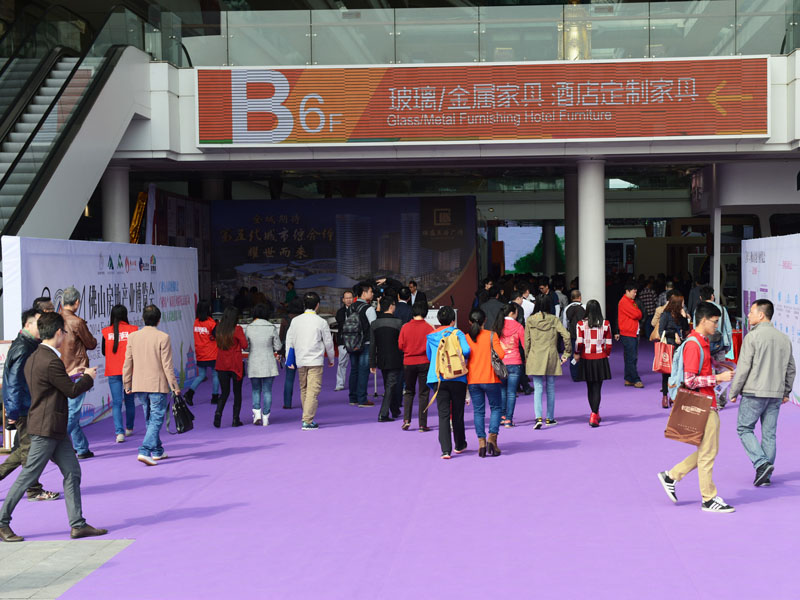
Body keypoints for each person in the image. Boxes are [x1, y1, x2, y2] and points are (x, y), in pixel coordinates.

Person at [0, 312, 104, 543]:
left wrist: (71, 376)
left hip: (52, 427)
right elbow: (71, 391)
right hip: (46, 429)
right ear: (58, 332)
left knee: (72, 472)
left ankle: (77, 524)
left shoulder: (36, 356)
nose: (65, 335)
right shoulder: (49, 360)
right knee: (28, 476)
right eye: (64, 332)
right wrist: (88, 377)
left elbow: (53, 385)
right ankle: (2, 522)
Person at [657, 302, 736, 513]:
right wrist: (718, 378)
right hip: (703, 403)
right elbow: (690, 380)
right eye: (715, 322)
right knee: (708, 452)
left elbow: (699, 372)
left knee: (707, 450)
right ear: (704, 320)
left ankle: (671, 476)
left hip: (706, 401)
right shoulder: (694, 344)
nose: (717, 326)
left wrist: (716, 368)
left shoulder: (700, 341)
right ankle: (708, 498)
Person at [730, 299, 796, 487]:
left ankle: (761, 463)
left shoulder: (752, 337)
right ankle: (765, 476)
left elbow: (743, 368)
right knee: (769, 434)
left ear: (761, 315)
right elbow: (791, 368)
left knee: (744, 428)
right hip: (775, 393)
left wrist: (734, 391)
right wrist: (786, 391)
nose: (748, 315)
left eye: (751, 312)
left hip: (754, 391)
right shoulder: (784, 338)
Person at [0, 308, 60, 502]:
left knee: (22, 450)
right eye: (38, 323)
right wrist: (13, 411)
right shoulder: (23, 348)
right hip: (25, 408)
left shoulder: (28, 345)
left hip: (27, 406)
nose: (42, 328)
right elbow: (14, 382)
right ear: (28, 324)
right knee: (29, 451)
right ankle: (34, 490)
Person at [123, 305, 181, 466]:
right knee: (155, 419)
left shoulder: (133, 337)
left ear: (142, 319)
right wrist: (175, 386)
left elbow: (127, 362)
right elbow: (167, 365)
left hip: (139, 384)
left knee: (150, 419)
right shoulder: (163, 337)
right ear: (159, 320)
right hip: (157, 385)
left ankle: (157, 451)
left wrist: (127, 383)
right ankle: (144, 450)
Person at [285, 292, 335, 430]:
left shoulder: (295, 321)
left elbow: (289, 341)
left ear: (304, 304)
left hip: (300, 359)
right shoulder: (321, 322)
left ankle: (306, 417)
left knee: (304, 389)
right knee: (313, 391)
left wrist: (289, 359)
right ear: (317, 305)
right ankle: (307, 420)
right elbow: (328, 342)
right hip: (315, 361)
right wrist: (331, 358)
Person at [426, 306, 470, 459]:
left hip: (438, 377)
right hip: (457, 376)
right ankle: (460, 444)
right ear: (453, 320)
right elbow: (466, 351)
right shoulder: (457, 333)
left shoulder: (431, 335)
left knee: (443, 414)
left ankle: (445, 449)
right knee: (458, 412)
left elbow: (429, 356)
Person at [59, 286, 97, 459]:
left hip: (60, 370)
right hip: (77, 370)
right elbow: (91, 343)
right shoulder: (77, 322)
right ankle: (56, 444)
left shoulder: (56, 319)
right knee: (73, 413)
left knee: (70, 412)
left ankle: (82, 447)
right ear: (76, 302)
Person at [524, 294, 571, 429]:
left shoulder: (530, 320)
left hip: (535, 355)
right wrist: (566, 353)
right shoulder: (554, 319)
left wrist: (527, 356)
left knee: (538, 388)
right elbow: (566, 335)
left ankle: (538, 417)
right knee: (550, 388)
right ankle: (550, 418)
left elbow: (527, 341)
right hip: (551, 355)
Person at [466, 309, 506, 457]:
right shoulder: (491, 335)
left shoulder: (466, 337)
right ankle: (492, 438)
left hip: (473, 379)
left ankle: (481, 442)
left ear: (469, 322)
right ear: (485, 320)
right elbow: (501, 354)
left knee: (478, 411)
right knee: (496, 408)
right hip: (491, 378)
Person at [101, 305, 138, 443]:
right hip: (130, 371)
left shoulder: (106, 332)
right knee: (130, 401)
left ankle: (119, 433)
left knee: (116, 403)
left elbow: (104, 352)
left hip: (113, 371)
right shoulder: (133, 330)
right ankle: (129, 428)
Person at [575, 300, 612, 427]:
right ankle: (594, 414)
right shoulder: (606, 324)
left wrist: (577, 353)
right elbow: (609, 343)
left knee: (590, 388)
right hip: (600, 358)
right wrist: (606, 354)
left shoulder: (580, 324)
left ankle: (594, 413)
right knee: (597, 388)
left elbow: (579, 342)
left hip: (586, 358)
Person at [398, 301, 434, 432]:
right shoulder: (429, 328)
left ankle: (406, 420)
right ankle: (422, 424)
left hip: (408, 362)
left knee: (408, 391)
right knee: (424, 393)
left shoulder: (405, 327)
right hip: (424, 362)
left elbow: (400, 345)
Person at [245, 303, 282, 427]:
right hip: (268, 363)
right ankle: (266, 416)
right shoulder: (271, 327)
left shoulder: (249, 327)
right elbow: (278, 346)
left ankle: (256, 413)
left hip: (254, 362)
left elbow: (246, 347)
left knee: (255, 389)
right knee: (267, 391)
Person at [369, 296, 404, 422]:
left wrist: (372, 363)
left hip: (382, 359)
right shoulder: (398, 323)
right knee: (390, 386)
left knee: (389, 385)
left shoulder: (374, 324)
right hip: (396, 358)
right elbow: (402, 343)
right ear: (391, 306)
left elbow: (372, 345)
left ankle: (394, 410)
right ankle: (383, 414)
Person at [213, 306, 248, 428]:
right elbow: (245, 345)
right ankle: (235, 419)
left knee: (224, 392)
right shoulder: (237, 329)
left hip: (221, 363)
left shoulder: (219, 328)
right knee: (237, 393)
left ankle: (218, 413)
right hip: (235, 364)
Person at [658, 293, 690, 409]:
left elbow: (686, 330)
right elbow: (661, 331)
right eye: (682, 302)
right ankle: (665, 396)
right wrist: (674, 334)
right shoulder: (665, 315)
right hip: (669, 346)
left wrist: (684, 317)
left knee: (679, 371)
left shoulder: (680, 315)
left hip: (680, 347)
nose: (683, 304)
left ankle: (675, 395)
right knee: (667, 371)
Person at [348, 282, 377, 408]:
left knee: (354, 370)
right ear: (364, 293)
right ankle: (362, 399)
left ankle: (353, 398)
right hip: (365, 343)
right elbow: (374, 327)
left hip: (352, 342)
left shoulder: (350, 307)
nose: (372, 294)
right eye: (370, 291)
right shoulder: (369, 309)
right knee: (363, 371)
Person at [185, 300, 220, 405]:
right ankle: (214, 397)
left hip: (200, 354)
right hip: (212, 353)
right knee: (215, 375)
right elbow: (217, 336)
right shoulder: (211, 323)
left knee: (201, 375)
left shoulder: (196, 322)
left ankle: (190, 393)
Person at [498, 303, 525, 428]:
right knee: (512, 392)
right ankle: (509, 419)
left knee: (502, 390)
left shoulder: (498, 325)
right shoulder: (519, 326)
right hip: (515, 361)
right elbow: (524, 345)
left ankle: (502, 416)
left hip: (501, 362)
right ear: (512, 313)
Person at [616, 281, 644, 388]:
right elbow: (637, 314)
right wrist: (638, 313)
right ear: (627, 291)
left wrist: (638, 313)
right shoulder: (624, 302)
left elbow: (638, 314)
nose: (635, 294)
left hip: (631, 332)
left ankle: (628, 378)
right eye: (634, 292)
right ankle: (635, 379)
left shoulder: (630, 301)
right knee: (632, 357)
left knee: (630, 357)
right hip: (629, 333)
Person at [280, 297, 304, 409]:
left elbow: (281, 337)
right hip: (302, 350)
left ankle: (287, 403)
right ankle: (306, 402)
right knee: (304, 377)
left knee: (289, 378)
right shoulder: (304, 318)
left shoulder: (285, 319)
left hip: (289, 350)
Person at [334, 291, 354, 392]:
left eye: (350, 298)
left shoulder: (357, 310)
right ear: (343, 300)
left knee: (356, 363)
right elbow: (341, 324)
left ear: (353, 299)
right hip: (343, 340)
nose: (348, 300)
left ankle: (355, 383)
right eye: (347, 298)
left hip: (355, 340)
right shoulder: (340, 312)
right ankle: (340, 384)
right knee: (342, 363)